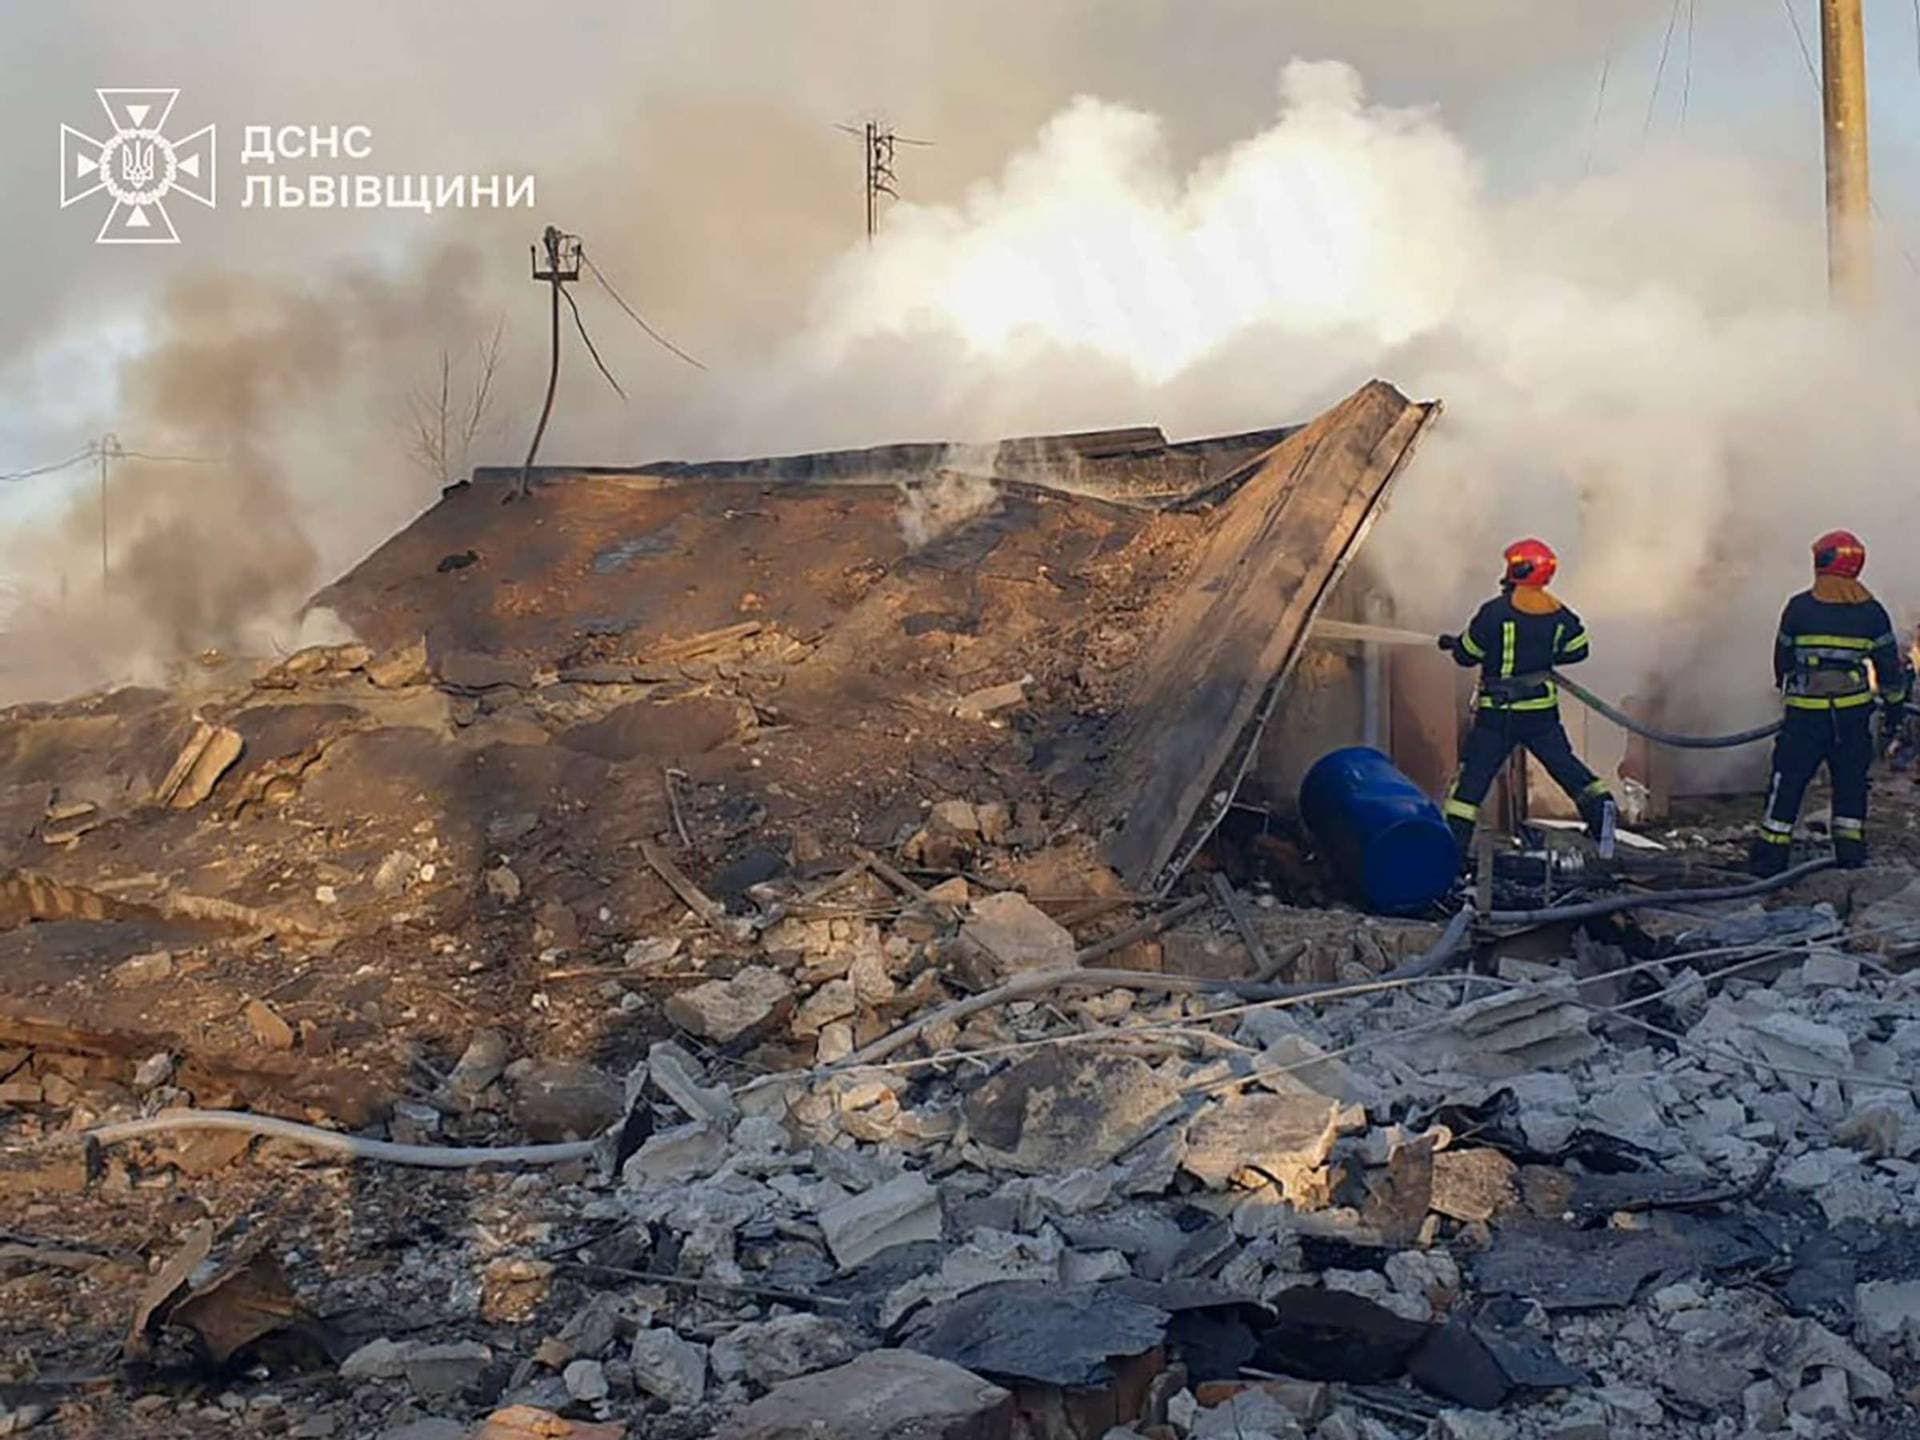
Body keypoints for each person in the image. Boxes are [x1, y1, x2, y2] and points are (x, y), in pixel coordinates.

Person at [1437, 538, 1616, 862]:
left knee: (1472, 785)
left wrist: (1457, 645)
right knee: (1567, 768)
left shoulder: (1495, 611)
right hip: (1541, 715)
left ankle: (1450, 852)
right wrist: (1545, 655)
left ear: (1518, 569)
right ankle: (1603, 818)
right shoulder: (1558, 612)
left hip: (1497, 717)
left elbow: (1467, 655)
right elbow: (1579, 649)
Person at [1750, 529, 1911, 875]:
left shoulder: (1800, 608)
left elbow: (1783, 658)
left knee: (1787, 784)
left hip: (1804, 719)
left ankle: (1769, 860)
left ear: (1823, 563)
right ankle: (1850, 856)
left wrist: (1785, 689)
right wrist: (1895, 715)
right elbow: (1890, 672)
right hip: (1852, 719)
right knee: (1850, 786)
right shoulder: (1871, 613)